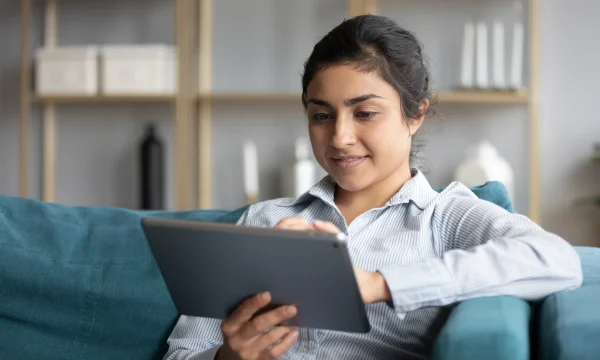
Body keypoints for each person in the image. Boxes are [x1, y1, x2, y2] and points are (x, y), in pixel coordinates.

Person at [164, 14, 582, 360]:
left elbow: (557, 260)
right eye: (321, 115)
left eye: (364, 113)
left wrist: (377, 284)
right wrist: (227, 357)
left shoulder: (446, 218)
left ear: (415, 114)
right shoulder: (265, 219)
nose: (340, 137)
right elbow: (182, 352)